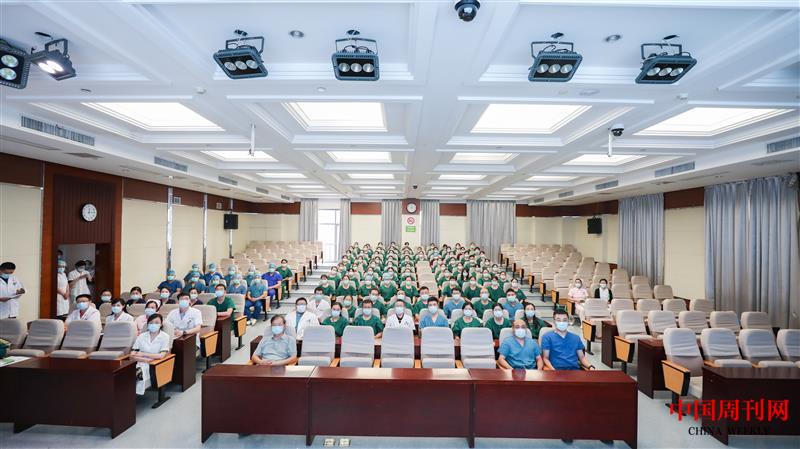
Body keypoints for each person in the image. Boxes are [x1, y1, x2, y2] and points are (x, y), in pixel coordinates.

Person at [130, 313, 171, 395]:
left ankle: (127, 396)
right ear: (148, 324)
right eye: (151, 322)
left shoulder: (165, 337)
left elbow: (161, 356)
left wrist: (142, 354)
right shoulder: (141, 336)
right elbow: (132, 354)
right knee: (123, 373)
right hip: (139, 362)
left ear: (161, 324)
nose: (153, 324)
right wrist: (144, 359)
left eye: (156, 322)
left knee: (131, 375)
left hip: (154, 365)